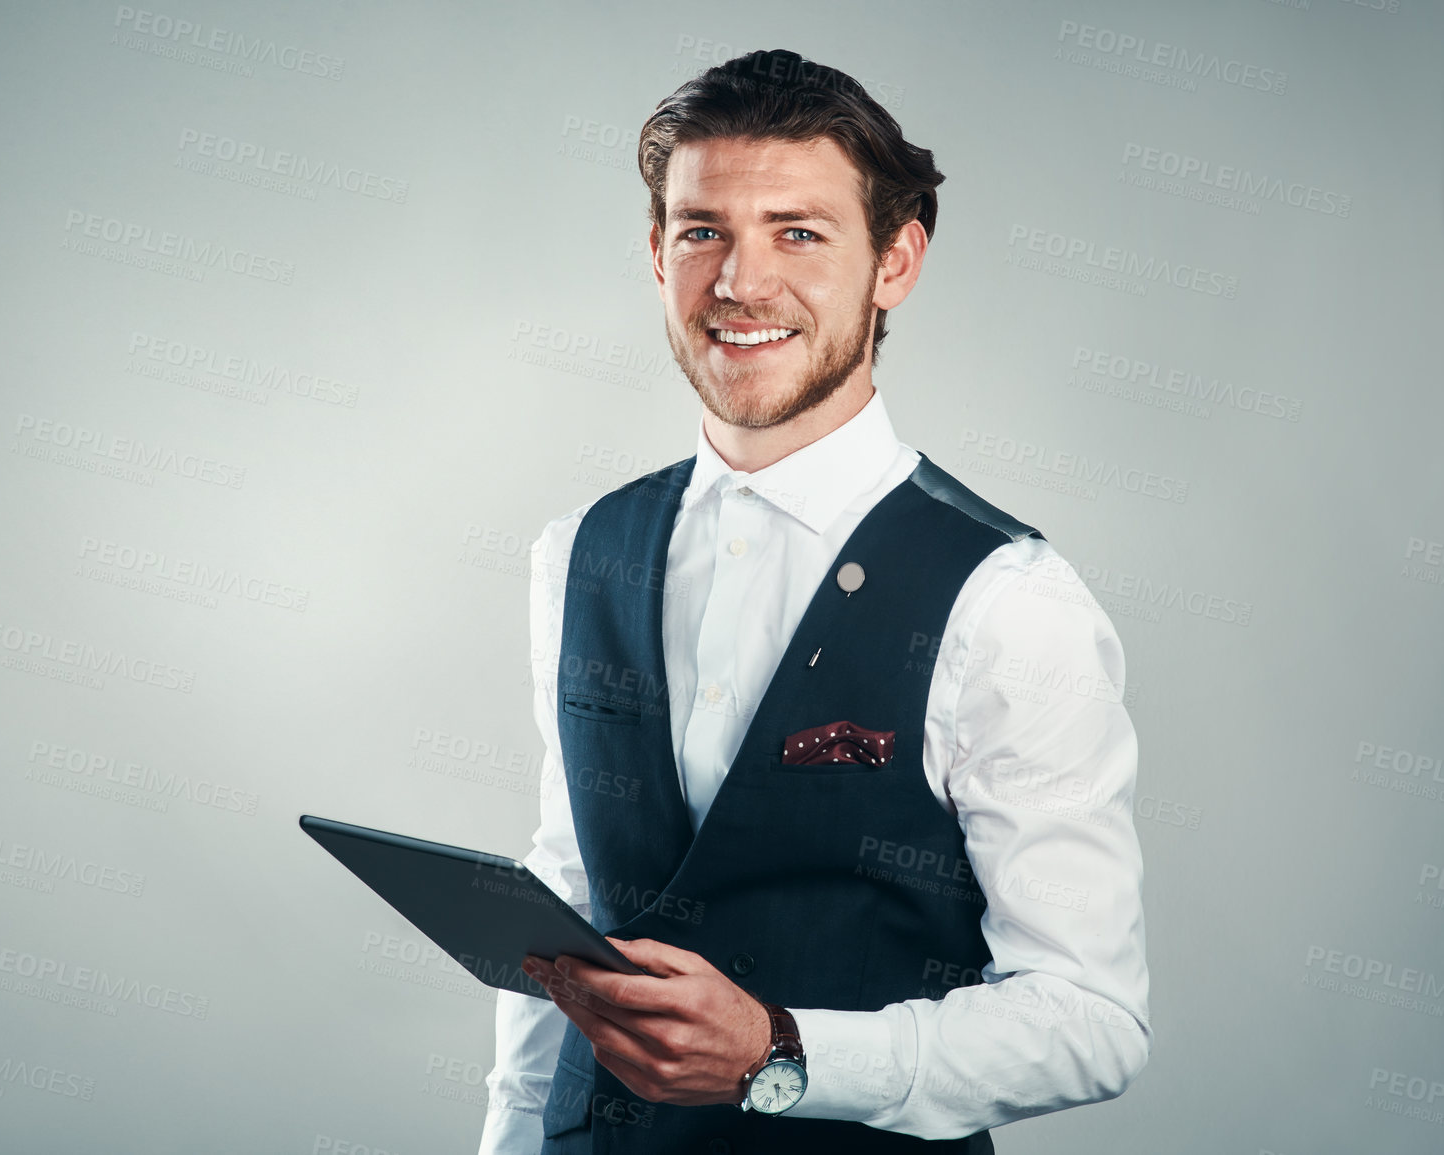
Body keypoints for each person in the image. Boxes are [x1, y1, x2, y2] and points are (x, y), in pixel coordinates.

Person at [478, 49, 1150, 1154]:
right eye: (704, 231)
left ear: (895, 263)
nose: (742, 283)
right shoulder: (579, 551)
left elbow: (1092, 1021)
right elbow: (569, 893)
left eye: (799, 232)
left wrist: (781, 1054)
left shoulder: (1008, 601)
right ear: (657, 254)